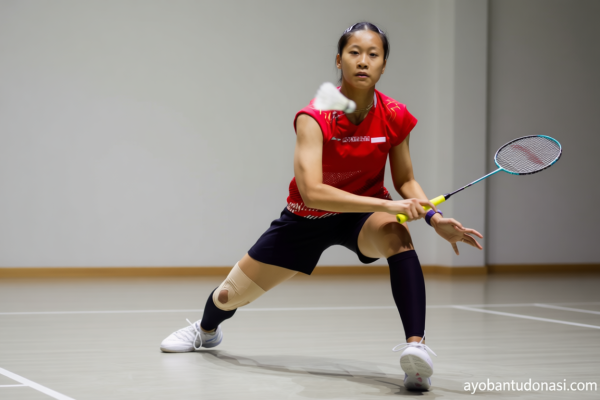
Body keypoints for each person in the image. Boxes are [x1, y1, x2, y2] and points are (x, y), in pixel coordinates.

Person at [159, 21, 483, 391]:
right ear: (339, 60)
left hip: (362, 218)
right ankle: (205, 331)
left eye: (373, 54)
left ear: (384, 65)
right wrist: (387, 204)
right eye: (354, 52)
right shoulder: (314, 117)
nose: (363, 61)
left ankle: (416, 352)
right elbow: (312, 192)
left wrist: (433, 217)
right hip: (306, 219)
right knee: (228, 295)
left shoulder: (394, 115)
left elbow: (406, 180)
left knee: (397, 236)